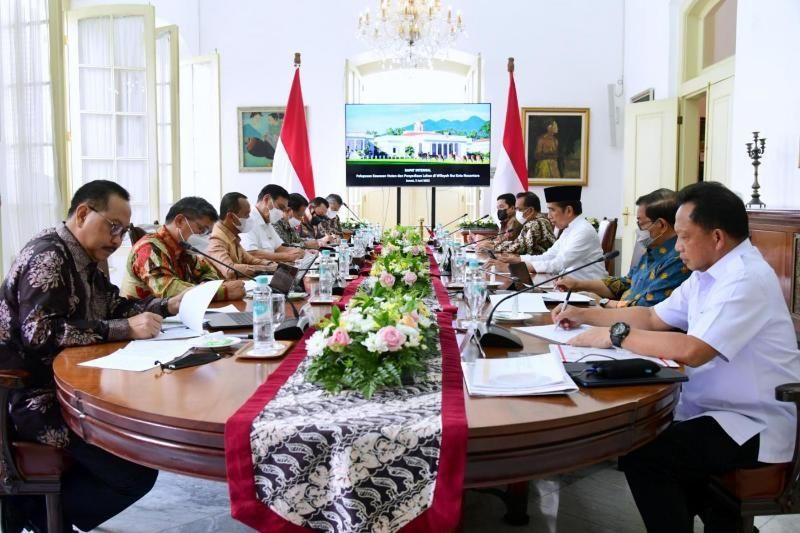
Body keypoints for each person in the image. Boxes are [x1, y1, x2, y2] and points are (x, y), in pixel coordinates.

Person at [552, 182, 800, 533]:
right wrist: (585, 315)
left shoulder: (745, 278)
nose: (677, 246)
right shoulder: (707, 273)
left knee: (647, 459)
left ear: (716, 237)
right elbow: (654, 317)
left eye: (684, 236)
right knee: (650, 448)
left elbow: (694, 351)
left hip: (753, 420)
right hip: (713, 408)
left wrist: (616, 335)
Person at [0, 180, 184, 532]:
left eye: (124, 231)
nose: (117, 241)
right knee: (133, 470)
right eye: (113, 228)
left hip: (71, 386)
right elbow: (39, 334)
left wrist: (167, 306)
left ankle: (41, 512)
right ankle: (39, 518)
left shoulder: (81, 258)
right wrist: (124, 329)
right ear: (83, 213)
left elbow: (115, 305)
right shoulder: (49, 256)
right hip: (30, 400)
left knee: (136, 452)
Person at [556, 188, 690, 307]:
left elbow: (645, 309)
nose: (639, 230)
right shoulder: (653, 249)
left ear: (661, 225)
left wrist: (603, 302)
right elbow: (626, 282)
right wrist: (578, 285)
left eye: (641, 224)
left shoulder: (678, 260)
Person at [121, 197, 245, 301]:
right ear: (180, 221)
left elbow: (208, 270)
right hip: (144, 322)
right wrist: (222, 292)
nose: (204, 236)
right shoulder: (148, 248)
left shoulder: (182, 248)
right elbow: (169, 290)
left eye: (208, 232)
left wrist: (206, 285)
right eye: (201, 229)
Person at [488, 185, 605, 280]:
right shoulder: (570, 228)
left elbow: (558, 264)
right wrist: (518, 260)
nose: (548, 216)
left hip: (588, 293)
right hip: (567, 287)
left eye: (552, 210)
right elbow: (549, 256)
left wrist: (512, 267)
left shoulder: (583, 231)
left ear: (569, 211)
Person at [206, 192, 278, 279]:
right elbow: (229, 270)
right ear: (231, 216)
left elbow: (250, 259)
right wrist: (266, 269)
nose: (249, 218)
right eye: (246, 214)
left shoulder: (232, 235)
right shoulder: (216, 238)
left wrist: (270, 264)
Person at [239, 184, 305, 262]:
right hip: (257, 272)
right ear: (266, 199)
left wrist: (301, 252)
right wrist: (286, 256)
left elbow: (279, 248)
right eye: (280, 207)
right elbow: (251, 254)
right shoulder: (247, 220)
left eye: (284, 210)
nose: (281, 214)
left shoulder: (267, 221)